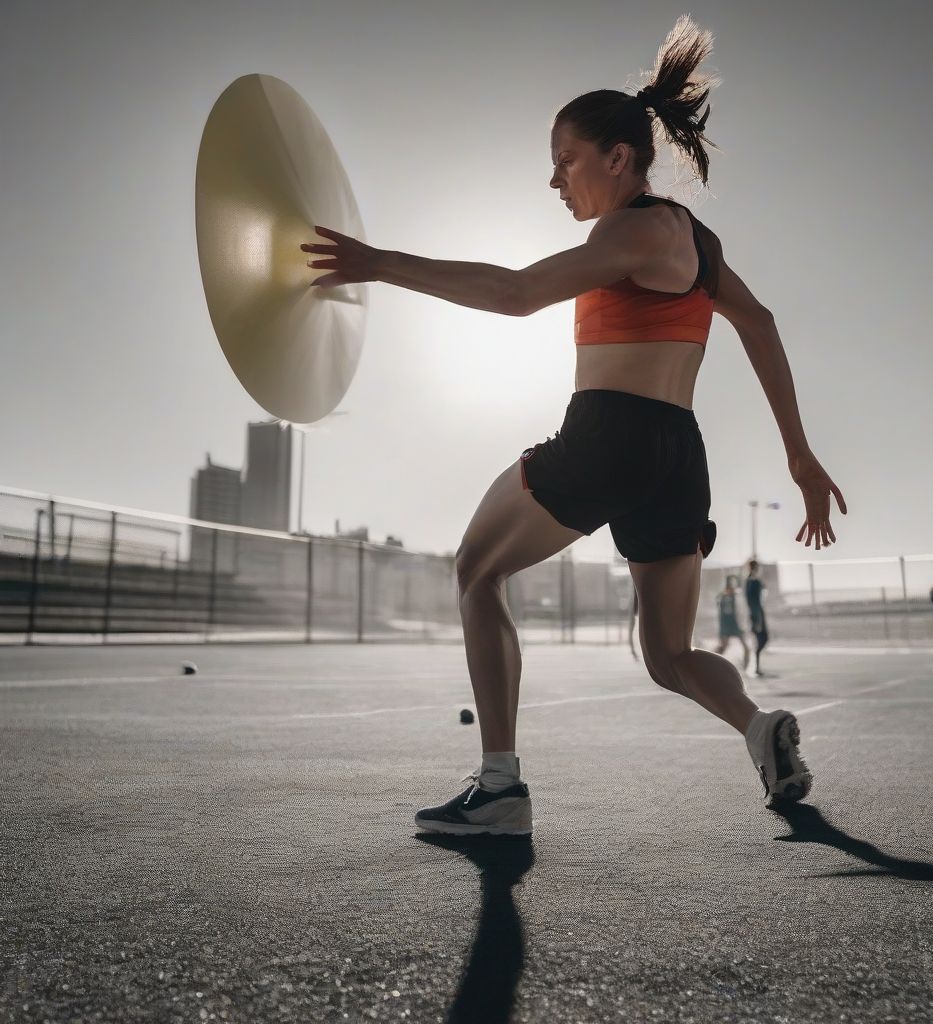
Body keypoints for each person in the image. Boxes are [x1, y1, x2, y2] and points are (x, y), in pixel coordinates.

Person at [301, 15, 846, 835]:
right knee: (667, 656)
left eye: (565, 160)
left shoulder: (629, 230)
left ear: (617, 158)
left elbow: (518, 293)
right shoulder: (693, 239)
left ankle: (499, 790)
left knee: (476, 573)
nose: (556, 180)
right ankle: (759, 728)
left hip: (610, 434)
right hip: (678, 453)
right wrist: (800, 458)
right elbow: (760, 322)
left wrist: (380, 264)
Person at [716, 575, 750, 671]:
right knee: (723, 647)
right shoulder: (722, 596)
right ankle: (711, 663)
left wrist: (744, 624)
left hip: (736, 623)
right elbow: (720, 612)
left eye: (733, 583)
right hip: (726, 624)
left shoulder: (738, 596)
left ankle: (745, 667)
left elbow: (742, 611)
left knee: (746, 646)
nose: (732, 586)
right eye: (730, 583)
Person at [745, 559, 769, 676]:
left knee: (761, 640)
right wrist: (757, 620)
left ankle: (755, 666)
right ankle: (755, 666)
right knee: (762, 639)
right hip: (756, 615)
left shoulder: (753, 581)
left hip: (758, 614)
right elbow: (752, 603)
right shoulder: (752, 582)